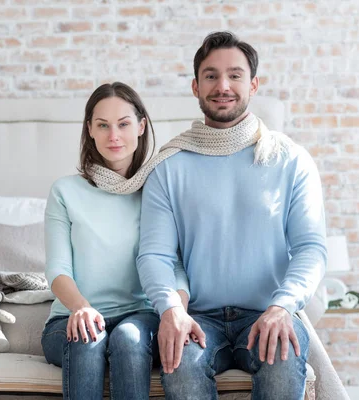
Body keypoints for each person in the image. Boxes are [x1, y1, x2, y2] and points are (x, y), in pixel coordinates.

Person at [136, 31, 327, 399]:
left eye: (235, 75)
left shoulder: (290, 160)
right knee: (180, 366)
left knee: (282, 359)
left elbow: (311, 248)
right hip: (199, 317)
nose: (223, 85)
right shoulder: (168, 167)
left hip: (268, 311)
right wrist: (171, 309)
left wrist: (282, 305)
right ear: (195, 86)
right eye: (210, 76)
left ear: (253, 84)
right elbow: (155, 254)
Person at [41, 82, 190, 400]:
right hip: (70, 318)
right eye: (103, 125)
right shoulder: (65, 191)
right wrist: (80, 308)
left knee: (128, 338)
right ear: (89, 130)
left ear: (141, 126)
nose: (114, 136)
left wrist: (177, 312)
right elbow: (57, 270)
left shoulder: (159, 188)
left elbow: (174, 264)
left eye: (123, 124)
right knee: (88, 336)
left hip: (141, 315)